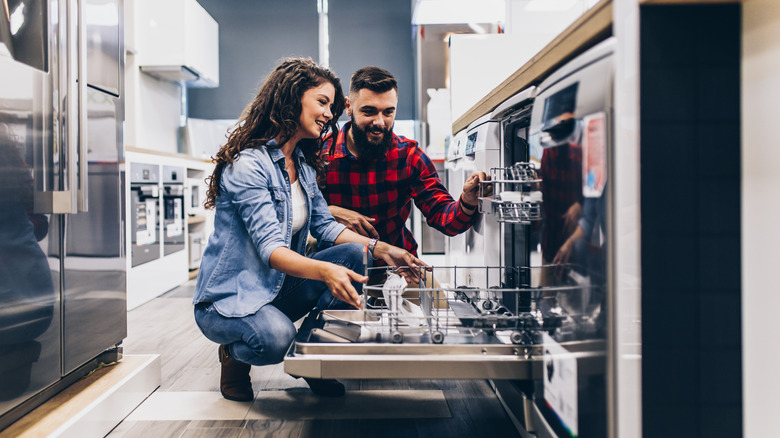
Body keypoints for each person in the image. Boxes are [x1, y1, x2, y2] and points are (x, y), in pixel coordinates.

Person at [192, 58, 424, 402]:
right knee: (275, 339)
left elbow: (324, 224)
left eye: (331, 105)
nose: (330, 114)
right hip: (229, 299)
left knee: (356, 253)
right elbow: (272, 251)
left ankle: (315, 359)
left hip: (274, 289)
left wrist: (382, 249)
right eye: (322, 102)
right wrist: (326, 270)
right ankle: (233, 355)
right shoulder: (248, 165)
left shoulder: (300, 161)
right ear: (291, 98)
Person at [318, 66, 488, 265]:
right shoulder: (319, 155)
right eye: (369, 111)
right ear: (348, 106)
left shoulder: (409, 157)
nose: (379, 122)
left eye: (388, 112)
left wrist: (467, 200)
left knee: (438, 297)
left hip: (398, 269)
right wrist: (330, 212)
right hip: (335, 270)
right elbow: (293, 214)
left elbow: (445, 219)